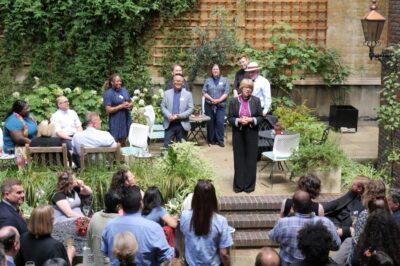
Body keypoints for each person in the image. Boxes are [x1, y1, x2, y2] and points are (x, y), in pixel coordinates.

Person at [102, 186, 174, 266]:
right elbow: (167, 256)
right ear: (141, 203)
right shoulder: (153, 228)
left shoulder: (109, 226)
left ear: (121, 205)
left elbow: (105, 252)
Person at [268, 190, 340, 265]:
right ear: (311, 205)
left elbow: (273, 237)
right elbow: (336, 245)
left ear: (293, 207)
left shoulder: (283, 223)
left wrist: (286, 216)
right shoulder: (326, 222)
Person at [180, 180, 233, 266]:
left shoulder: (185, 216)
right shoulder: (220, 221)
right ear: (213, 199)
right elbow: (224, 253)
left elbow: (184, 238)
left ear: (195, 198)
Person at [228, 79, 263, 193]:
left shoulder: (256, 101)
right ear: (241, 88)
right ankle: (239, 185)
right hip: (238, 132)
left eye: (250, 88)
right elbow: (230, 118)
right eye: (246, 87)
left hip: (252, 132)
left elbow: (260, 117)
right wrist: (238, 120)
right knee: (239, 159)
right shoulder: (233, 101)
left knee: (251, 159)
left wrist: (251, 120)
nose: (248, 90)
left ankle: (249, 186)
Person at [348, 179, 387, 263]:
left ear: (368, 194)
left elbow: (357, 243)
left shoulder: (366, 214)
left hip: (365, 258)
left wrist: (354, 231)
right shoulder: (387, 211)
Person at [323, 175, 369, 240]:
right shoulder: (352, 193)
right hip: (334, 219)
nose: (351, 185)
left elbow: (353, 221)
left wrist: (342, 230)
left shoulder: (363, 203)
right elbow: (337, 203)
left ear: (359, 189)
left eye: (353, 184)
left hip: (342, 227)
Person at [161, 74, 194, 148]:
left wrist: (179, 116)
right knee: (166, 148)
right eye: (176, 80)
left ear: (183, 83)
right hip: (169, 124)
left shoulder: (188, 94)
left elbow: (191, 108)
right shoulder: (166, 93)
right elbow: (163, 106)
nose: (178, 82)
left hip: (182, 125)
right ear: (173, 82)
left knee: (181, 149)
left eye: (180, 81)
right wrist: (169, 115)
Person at [87, 191, 120, 266]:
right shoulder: (120, 221)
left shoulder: (95, 216)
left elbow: (89, 243)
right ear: (118, 206)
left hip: (97, 262)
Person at [202, 64, 230, 147]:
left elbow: (226, 92)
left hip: (221, 105)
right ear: (211, 71)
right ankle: (211, 139)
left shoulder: (224, 80)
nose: (215, 70)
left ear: (219, 70)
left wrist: (219, 100)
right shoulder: (208, 80)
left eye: (217, 69)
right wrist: (211, 99)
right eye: (214, 69)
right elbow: (204, 92)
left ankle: (220, 140)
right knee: (210, 122)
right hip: (209, 105)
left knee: (220, 122)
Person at [103, 74, 133, 145]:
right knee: (115, 141)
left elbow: (131, 102)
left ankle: (123, 154)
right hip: (115, 120)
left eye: (120, 81)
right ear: (112, 82)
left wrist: (129, 105)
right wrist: (121, 106)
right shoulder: (108, 93)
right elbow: (108, 110)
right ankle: (115, 155)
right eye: (117, 81)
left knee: (125, 138)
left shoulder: (124, 90)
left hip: (126, 118)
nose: (119, 82)